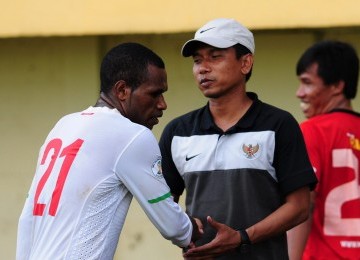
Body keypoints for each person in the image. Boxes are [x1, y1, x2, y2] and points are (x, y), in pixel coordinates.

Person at [16, 42, 203, 260]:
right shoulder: (132, 135)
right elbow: (173, 227)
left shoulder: (63, 126)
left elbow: (27, 218)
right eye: (155, 94)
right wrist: (195, 229)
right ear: (122, 90)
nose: (163, 104)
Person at [159, 18, 318, 259]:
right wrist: (185, 230)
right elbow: (163, 202)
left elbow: (299, 207)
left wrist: (242, 237)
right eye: (197, 60)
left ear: (245, 63)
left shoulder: (278, 125)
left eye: (215, 57)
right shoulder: (177, 131)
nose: (203, 68)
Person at [287, 40, 360, 260]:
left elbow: (302, 205)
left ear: (337, 86)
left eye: (307, 83)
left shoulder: (312, 131)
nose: (300, 93)